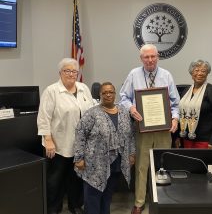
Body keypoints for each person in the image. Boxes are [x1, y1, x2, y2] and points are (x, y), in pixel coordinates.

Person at [119, 44, 180, 214]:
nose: (150, 60)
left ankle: (163, 199)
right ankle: (139, 202)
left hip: (163, 129)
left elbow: (175, 102)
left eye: (153, 56)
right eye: (146, 57)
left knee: (163, 164)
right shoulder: (134, 74)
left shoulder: (166, 75)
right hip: (142, 129)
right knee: (141, 166)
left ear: (158, 57)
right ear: (141, 59)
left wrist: (175, 118)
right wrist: (131, 108)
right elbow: (123, 97)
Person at [37, 58, 94, 214]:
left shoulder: (83, 88)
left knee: (76, 178)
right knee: (55, 180)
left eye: (74, 71)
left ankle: (75, 206)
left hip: (80, 145)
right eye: (67, 70)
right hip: (58, 145)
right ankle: (53, 209)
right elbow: (43, 117)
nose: (71, 74)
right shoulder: (52, 91)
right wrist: (48, 140)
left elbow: (91, 112)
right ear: (60, 73)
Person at [74, 82, 135, 214]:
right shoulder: (92, 113)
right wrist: (79, 158)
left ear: (115, 93)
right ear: (100, 95)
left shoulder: (123, 111)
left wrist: (131, 154)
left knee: (107, 196)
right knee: (93, 197)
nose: (108, 95)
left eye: (111, 92)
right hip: (95, 163)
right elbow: (80, 134)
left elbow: (130, 135)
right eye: (104, 93)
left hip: (116, 162)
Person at [175, 59, 212, 148]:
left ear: (207, 73)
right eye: (196, 70)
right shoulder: (186, 91)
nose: (200, 73)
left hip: (206, 141)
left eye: (203, 71)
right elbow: (181, 114)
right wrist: (178, 136)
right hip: (187, 139)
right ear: (191, 73)